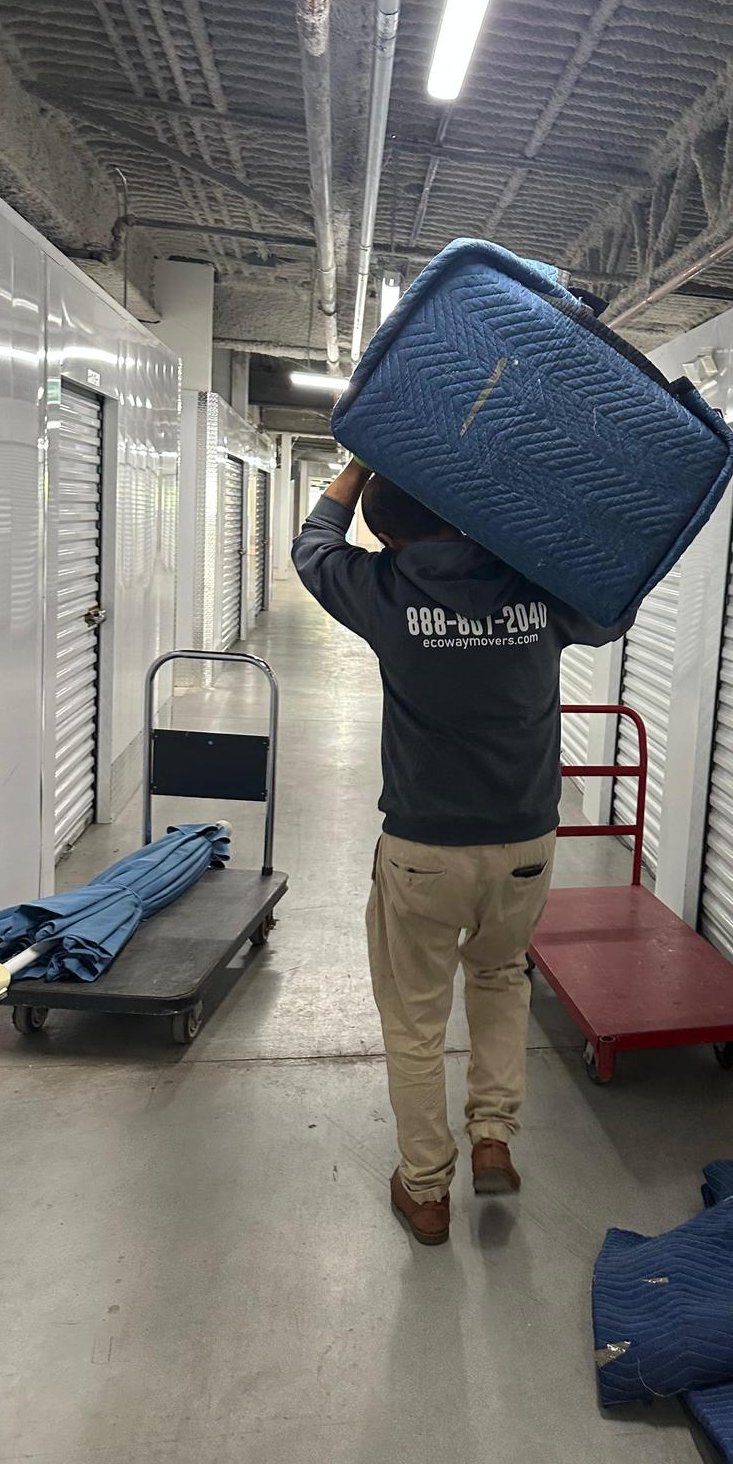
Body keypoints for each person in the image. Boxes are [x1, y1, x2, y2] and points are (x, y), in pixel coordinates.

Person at [292, 458, 631, 1245]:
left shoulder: (383, 589)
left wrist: (362, 455)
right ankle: (492, 1136)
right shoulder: (531, 583)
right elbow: (614, 603)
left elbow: (313, 546)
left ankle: (425, 1187)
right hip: (526, 840)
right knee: (500, 978)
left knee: (414, 1021)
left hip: (422, 847)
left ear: (388, 535)